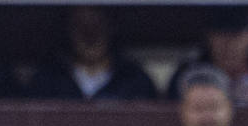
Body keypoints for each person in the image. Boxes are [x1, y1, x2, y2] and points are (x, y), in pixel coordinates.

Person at [25, 5, 158, 101]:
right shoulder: (47, 81)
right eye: (80, 25)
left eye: (98, 24)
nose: (90, 35)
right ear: (68, 31)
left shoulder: (135, 81)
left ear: (111, 29)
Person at [166, 8, 248, 109]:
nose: (229, 44)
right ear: (209, 37)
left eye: (236, 35)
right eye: (221, 35)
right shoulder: (188, 72)